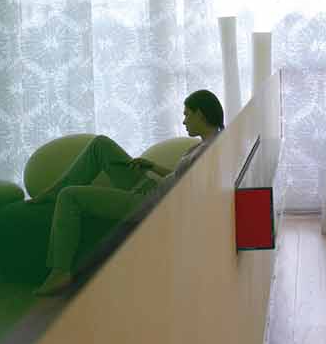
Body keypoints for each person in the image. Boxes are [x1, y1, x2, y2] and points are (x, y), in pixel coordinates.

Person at [31, 90, 225, 296]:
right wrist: (152, 166)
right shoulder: (205, 144)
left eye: (187, 114)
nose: (184, 121)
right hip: (151, 188)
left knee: (69, 195)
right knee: (100, 144)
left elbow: (190, 195)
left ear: (200, 114)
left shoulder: (210, 152)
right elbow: (180, 178)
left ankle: (61, 271)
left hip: (148, 205)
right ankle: (53, 193)